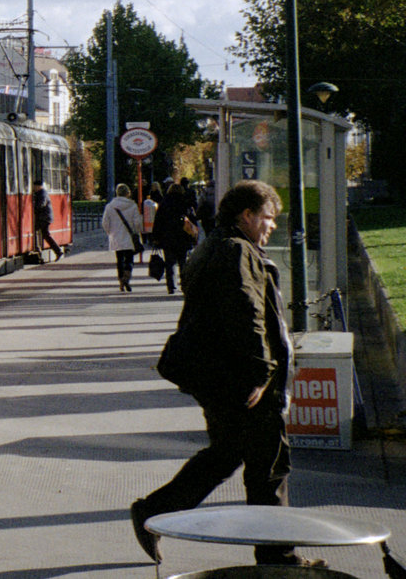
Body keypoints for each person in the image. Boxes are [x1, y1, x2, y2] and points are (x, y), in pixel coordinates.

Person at [129, 180, 324, 569]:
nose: (271, 226)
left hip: (218, 376)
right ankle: (278, 560)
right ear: (246, 215)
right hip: (243, 379)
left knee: (227, 452)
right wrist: (261, 371)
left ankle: (154, 510)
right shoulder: (238, 252)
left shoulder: (213, 246)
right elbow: (246, 310)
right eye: (267, 219)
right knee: (269, 467)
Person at [152, 182, 197, 294]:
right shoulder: (186, 202)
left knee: (170, 263)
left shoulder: (164, 203)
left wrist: (156, 237)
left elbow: (158, 222)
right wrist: (194, 237)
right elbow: (193, 220)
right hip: (184, 237)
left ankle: (171, 286)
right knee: (183, 262)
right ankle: (184, 284)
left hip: (168, 237)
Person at [101, 183, 142, 292]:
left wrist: (110, 232)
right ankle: (127, 277)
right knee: (129, 259)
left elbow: (105, 222)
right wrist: (137, 232)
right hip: (129, 237)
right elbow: (137, 222)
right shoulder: (132, 205)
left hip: (116, 237)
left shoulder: (110, 206)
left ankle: (121, 280)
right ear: (127, 193)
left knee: (119, 260)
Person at [31, 180, 62, 262]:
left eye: (34, 186)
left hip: (44, 218)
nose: (33, 188)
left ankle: (39, 251)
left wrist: (33, 207)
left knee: (38, 232)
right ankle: (57, 251)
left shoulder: (42, 193)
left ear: (38, 186)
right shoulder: (41, 193)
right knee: (45, 235)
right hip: (45, 217)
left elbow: (41, 205)